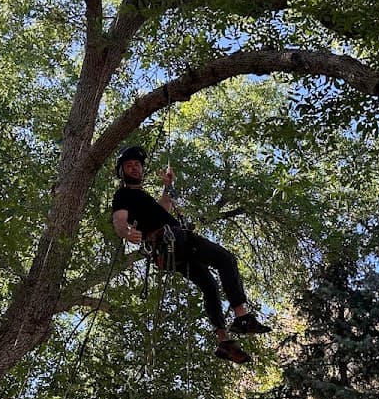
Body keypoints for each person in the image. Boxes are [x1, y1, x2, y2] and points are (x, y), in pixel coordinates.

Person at [110, 144, 270, 364]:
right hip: (174, 242)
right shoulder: (123, 194)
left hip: (172, 249)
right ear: (122, 171)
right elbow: (118, 221)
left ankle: (224, 341)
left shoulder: (142, 196)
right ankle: (241, 316)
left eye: (137, 164)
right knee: (225, 259)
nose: (135, 168)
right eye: (129, 165)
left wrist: (168, 186)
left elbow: (162, 209)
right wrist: (127, 233)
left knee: (210, 285)